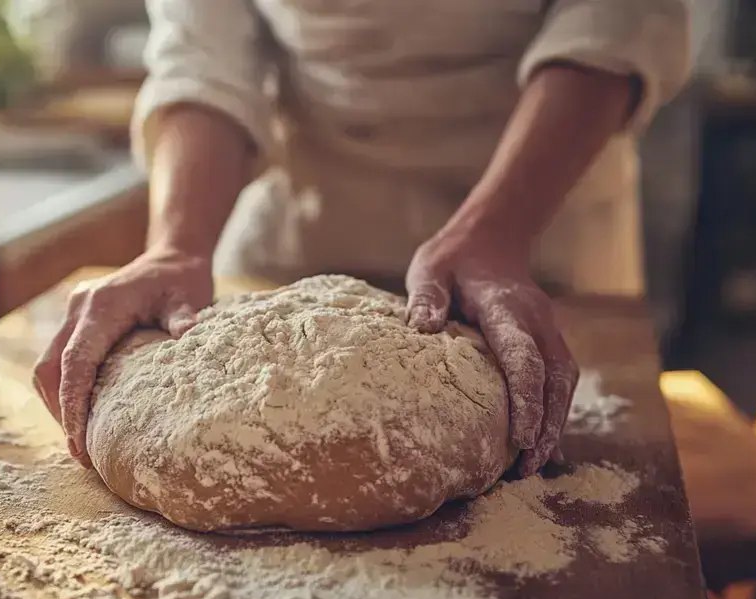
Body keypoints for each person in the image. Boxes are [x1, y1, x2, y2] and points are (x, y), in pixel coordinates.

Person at [34, 0, 691, 477]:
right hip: (302, 228)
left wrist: (498, 228)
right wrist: (176, 243)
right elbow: (201, 55)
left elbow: (616, 18)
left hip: (537, 218)